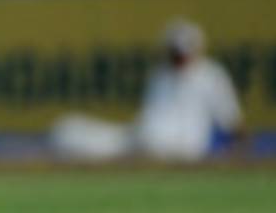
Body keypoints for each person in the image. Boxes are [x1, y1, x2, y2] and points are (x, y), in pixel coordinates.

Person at [48, 19, 247, 163]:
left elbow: (232, 120)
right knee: (65, 129)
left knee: (110, 146)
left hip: (183, 147)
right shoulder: (160, 74)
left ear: (198, 49)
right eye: (175, 53)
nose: (179, 59)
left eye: (184, 53)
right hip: (144, 138)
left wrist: (239, 155)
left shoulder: (211, 75)